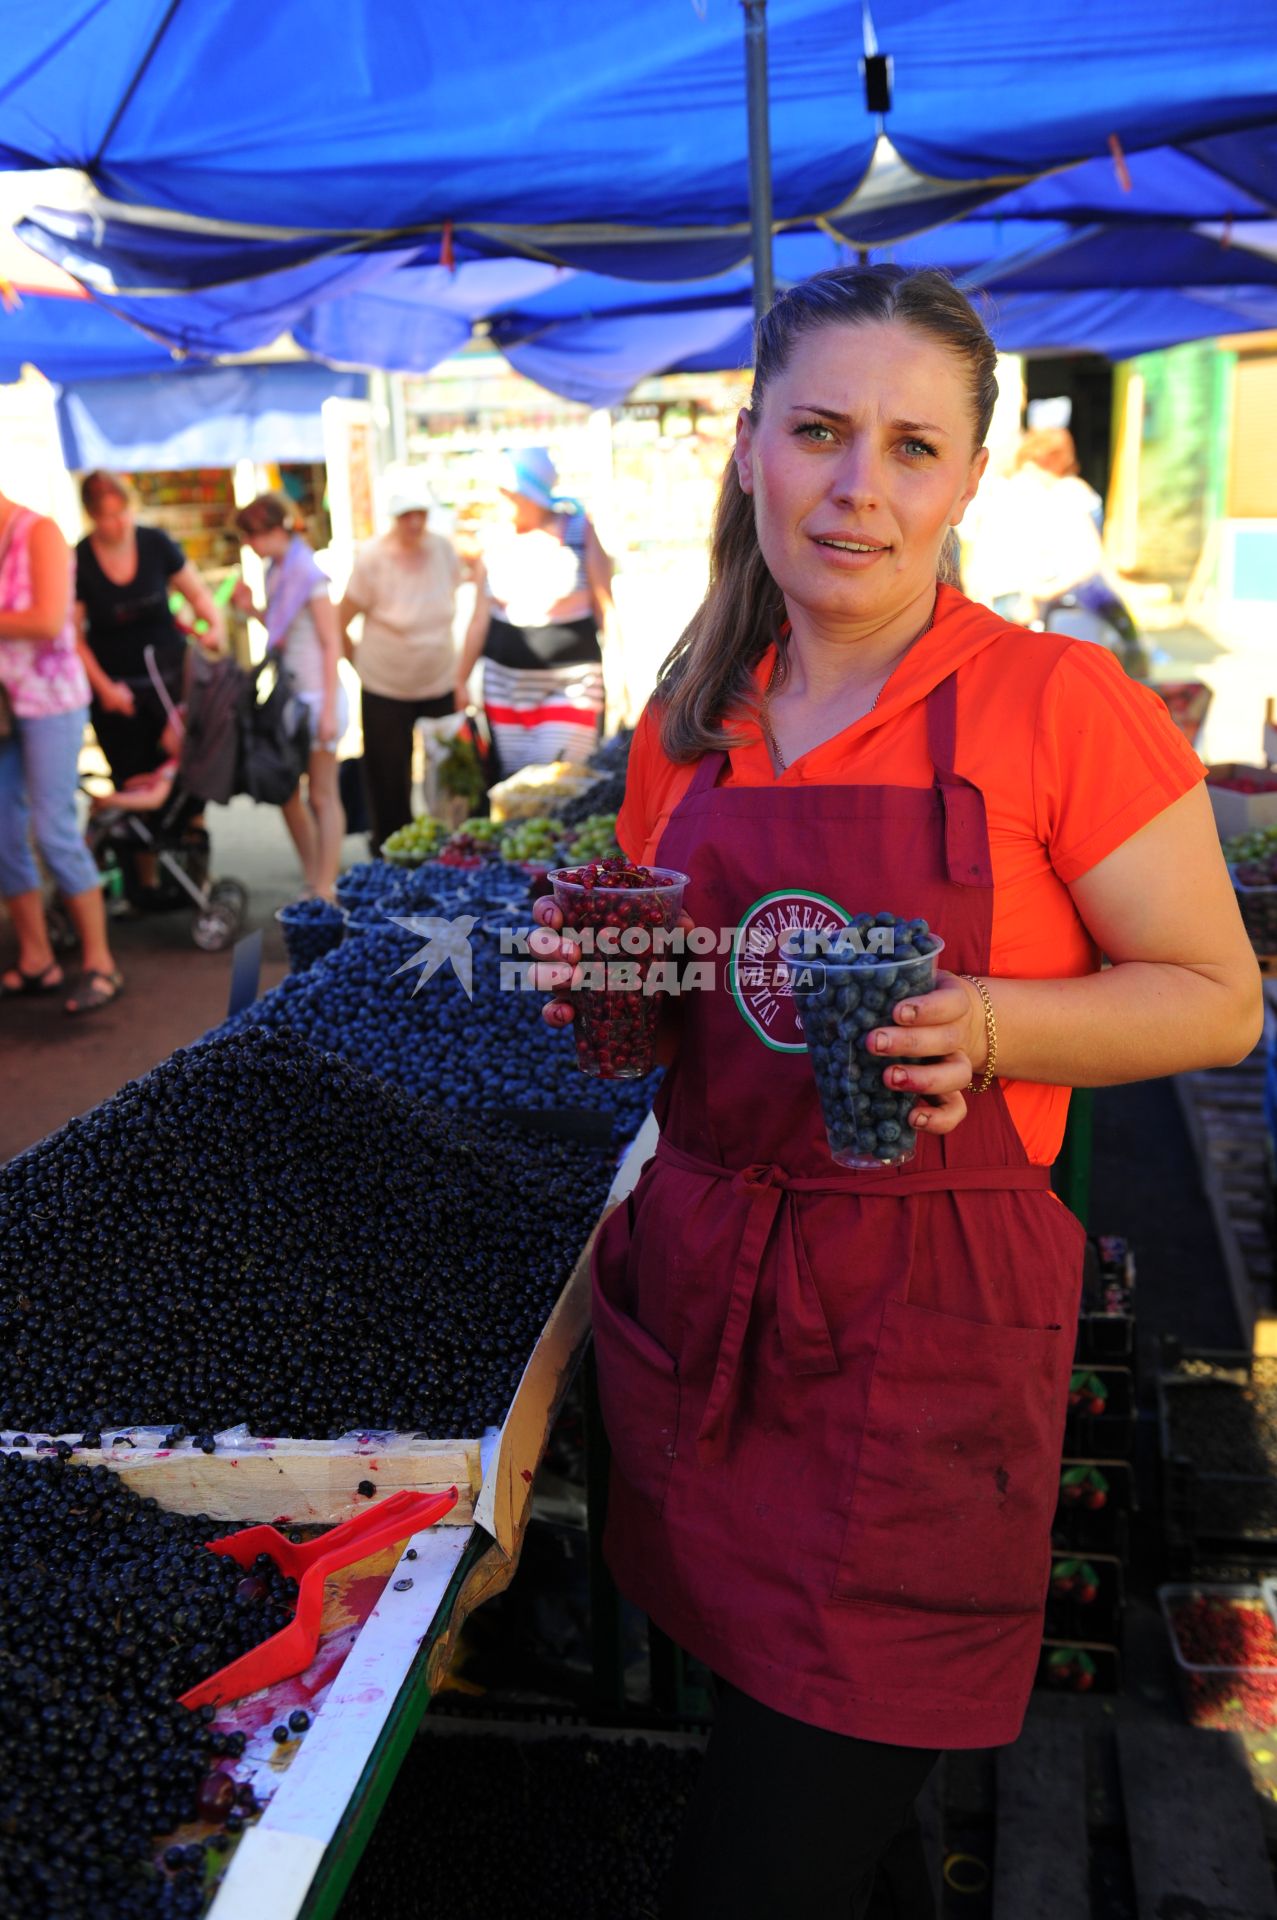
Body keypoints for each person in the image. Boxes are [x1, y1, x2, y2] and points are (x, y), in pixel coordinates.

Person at [529, 265, 1261, 1917]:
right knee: (830, 1838)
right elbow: (694, 1011)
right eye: (817, 432)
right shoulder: (687, 721)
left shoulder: (1059, 705)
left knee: (764, 1856)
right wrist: (627, 989)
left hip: (917, 1351)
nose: (859, 486)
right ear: (746, 449)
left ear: (969, 479)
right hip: (711, 1312)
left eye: (911, 447)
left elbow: (1214, 1000)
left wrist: (990, 1024)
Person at [0, 491, 122, 1013]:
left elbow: (50, 621)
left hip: (52, 703)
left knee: (52, 828)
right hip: (6, 705)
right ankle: (37, 959)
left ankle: (101, 963)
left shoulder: (38, 531)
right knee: (4, 830)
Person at [337, 480, 486, 851]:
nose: (415, 523)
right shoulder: (372, 556)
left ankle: (453, 844)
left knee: (452, 772)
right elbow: (340, 618)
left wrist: (459, 678)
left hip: (438, 679)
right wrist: (358, 665)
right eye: (407, 515)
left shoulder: (442, 549)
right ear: (395, 518)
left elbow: (456, 597)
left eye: (420, 514)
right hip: (385, 683)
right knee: (388, 777)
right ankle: (391, 847)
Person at [455, 446, 613, 776]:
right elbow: (479, 620)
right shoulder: (495, 538)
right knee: (516, 788)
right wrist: (459, 679)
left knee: (564, 782)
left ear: (525, 495)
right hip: (505, 690)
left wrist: (622, 676)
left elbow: (605, 609)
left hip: (571, 687)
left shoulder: (579, 530)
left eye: (504, 493)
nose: (497, 501)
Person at [75, 470, 223, 787]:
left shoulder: (155, 542)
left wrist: (213, 626)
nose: (119, 523)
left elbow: (197, 593)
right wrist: (105, 689)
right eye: (108, 517)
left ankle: (191, 830)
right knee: (133, 776)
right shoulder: (81, 559)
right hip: (118, 689)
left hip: (169, 681)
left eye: (123, 512)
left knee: (186, 770)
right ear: (91, 516)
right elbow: (74, 638)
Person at [231, 493, 346, 900]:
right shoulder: (276, 570)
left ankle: (326, 885)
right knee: (287, 793)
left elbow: (332, 643)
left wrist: (329, 710)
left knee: (321, 794)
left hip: (317, 698)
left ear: (276, 530)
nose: (249, 544)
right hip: (291, 700)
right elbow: (283, 633)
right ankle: (314, 875)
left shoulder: (308, 573)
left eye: (252, 535)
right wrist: (251, 610)